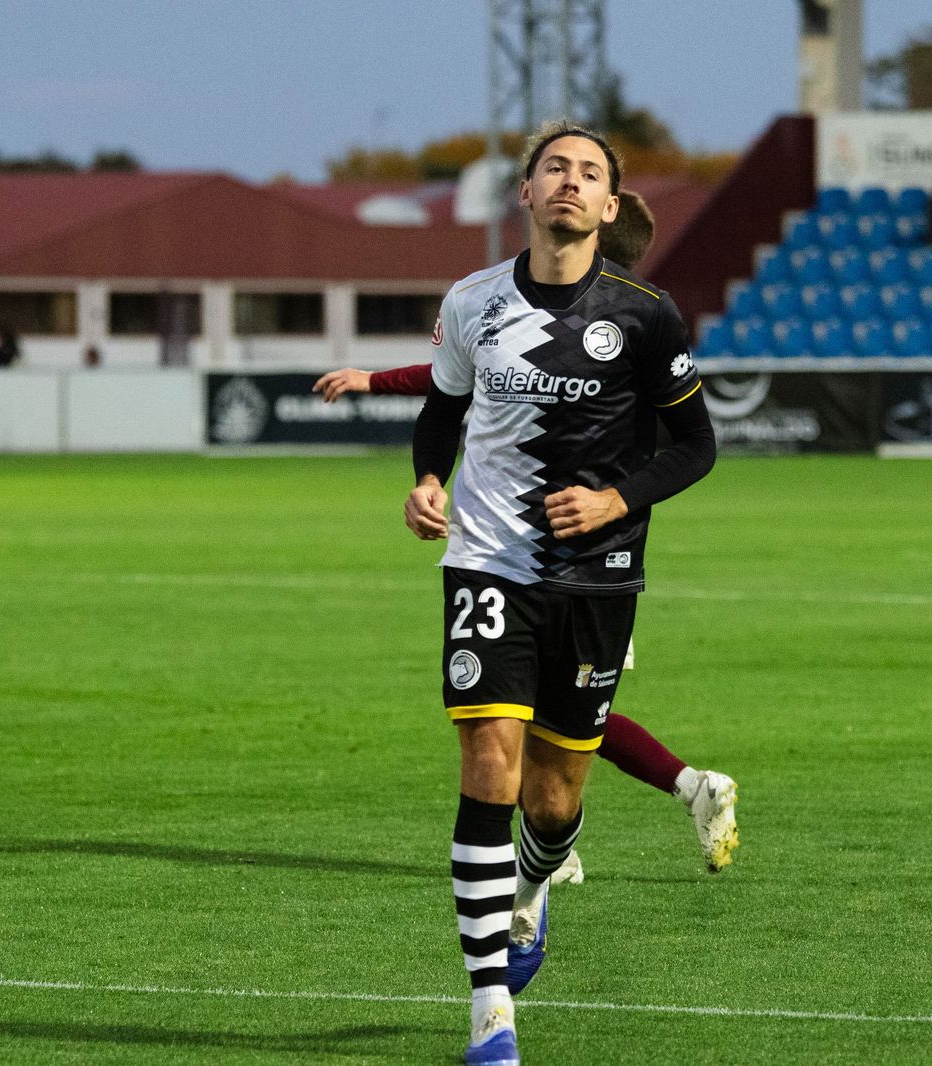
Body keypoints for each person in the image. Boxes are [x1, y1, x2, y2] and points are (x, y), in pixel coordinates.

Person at [405, 122, 717, 1064]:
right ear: (527, 192)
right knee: (488, 767)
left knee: (553, 795)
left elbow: (697, 445)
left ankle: (533, 893)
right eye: (555, 170)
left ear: (610, 206)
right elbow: (443, 408)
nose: (571, 184)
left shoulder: (646, 314)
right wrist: (427, 479)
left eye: (590, 174)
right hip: (487, 561)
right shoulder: (473, 302)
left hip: (599, 575)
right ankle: (490, 1011)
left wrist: (618, 496)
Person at [314, 191, 738, 883]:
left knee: (559, 721)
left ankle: (676, 791)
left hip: (593, 554)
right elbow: (461, 381)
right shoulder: (511, 309)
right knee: (543, 714)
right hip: (519, 552)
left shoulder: (634, 325)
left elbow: (693, 442)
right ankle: (647, 806)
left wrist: (373, 378)